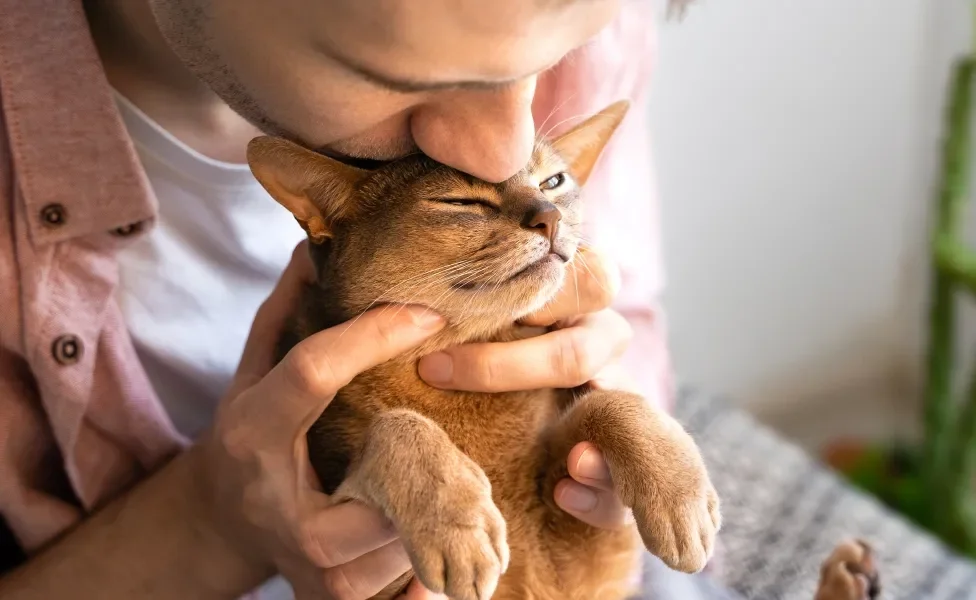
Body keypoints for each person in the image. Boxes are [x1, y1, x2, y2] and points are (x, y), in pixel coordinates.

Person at [0, 0, 674, 598]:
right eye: (400, 74)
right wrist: (212, 523)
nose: (507, 148)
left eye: (553, 55)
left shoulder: (592, 24)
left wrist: (607, 421)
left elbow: (631, 318)